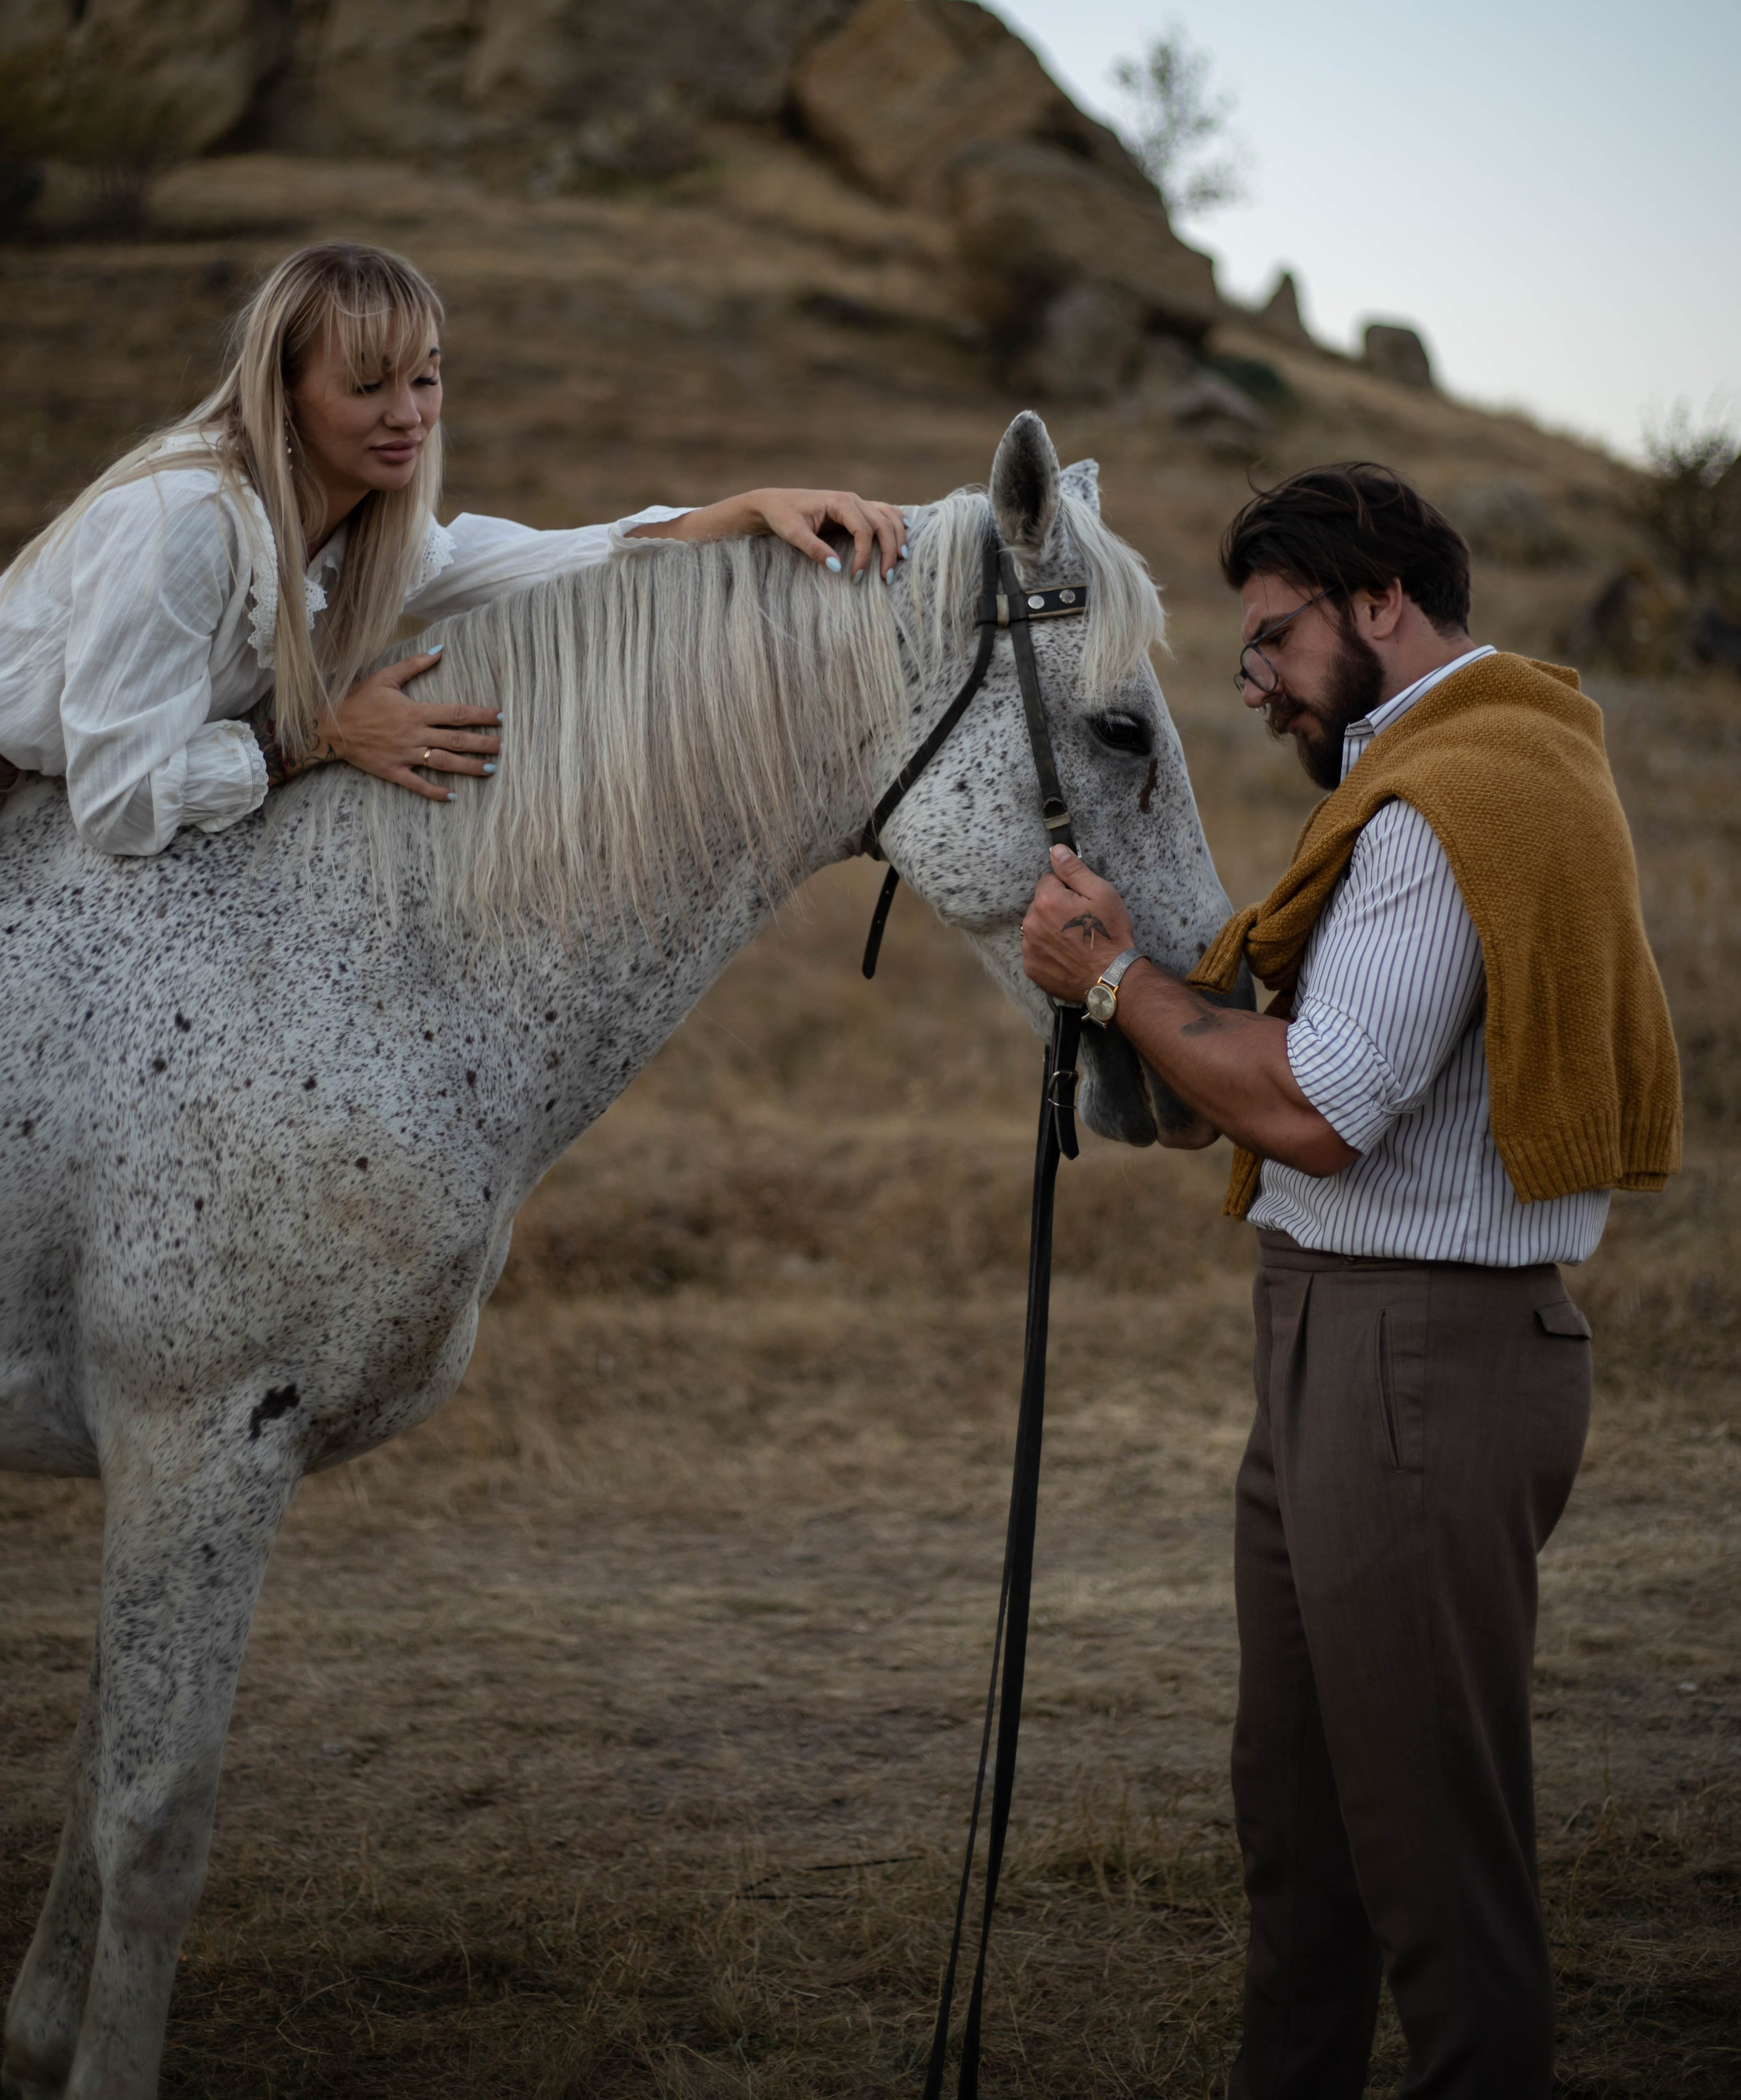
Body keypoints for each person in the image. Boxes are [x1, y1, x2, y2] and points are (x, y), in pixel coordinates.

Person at [1018, 464, 1682, 2099]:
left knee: (1432, 1869)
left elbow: (1317, 1106)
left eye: (1272, 639)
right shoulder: (1445, 772)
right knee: (1302, 1840)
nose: (1251, 683)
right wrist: (1144, 995)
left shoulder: (1459, 799)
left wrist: (1109, 985)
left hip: (1419, 1364)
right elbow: (1299, 1065)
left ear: (1376, 601)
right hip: (1346, 1344)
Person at [0, 241, 905, 856]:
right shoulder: (185, 522)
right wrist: (315, 735)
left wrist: (745, 509)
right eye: (367, 384)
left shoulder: (363, 523)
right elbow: (117, 801)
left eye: (426, 377)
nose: (409, 416)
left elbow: (548, 563)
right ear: (283, 390)